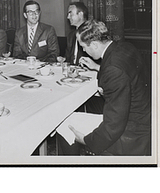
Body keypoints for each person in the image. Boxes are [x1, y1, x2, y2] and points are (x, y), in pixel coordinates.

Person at [57, 19, 151, 156]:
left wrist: (86, 140)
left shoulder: (113, 70)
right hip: (144, 117)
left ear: (94, 44)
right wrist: (97, 67)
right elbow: (124, 73)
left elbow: (114, 126)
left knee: (64, 124)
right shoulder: (125, 47)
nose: (83, 50)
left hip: (132, 134)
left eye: (83, 46)